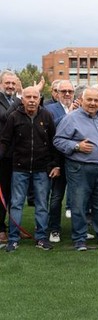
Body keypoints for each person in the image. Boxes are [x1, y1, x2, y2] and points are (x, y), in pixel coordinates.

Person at [53, 87, 98, 251]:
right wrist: (76, 146)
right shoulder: (71, 118)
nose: (92, 103)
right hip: (80, 168)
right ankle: (80, 239)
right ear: (81, 100)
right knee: (79, 204)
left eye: (96, 100)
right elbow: (58, 140)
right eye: (89, 100)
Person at [0, 86, 61, 252]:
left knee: (42, 204)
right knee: (16, 204)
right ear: (23, 99)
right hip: (19, 169)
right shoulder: (14, 117)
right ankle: (13, 239)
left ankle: (41, 237)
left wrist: (56, 164)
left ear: (40, 98)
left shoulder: (47, 116)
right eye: (28, 97)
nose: (32, 100)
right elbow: (5, 141)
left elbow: (54, 142)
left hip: (42, 170)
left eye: (35, 97)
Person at [45, 80, 76, 242]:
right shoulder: (50, 109)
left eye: (70, 91)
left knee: (79, 198)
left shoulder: (80, 108)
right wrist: (68, 115)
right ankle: (54, 229)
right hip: (58, 161)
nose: (67, 94)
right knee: (56, 197)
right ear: (56, 93)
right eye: (63, 91)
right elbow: (50, 131)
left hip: (77, 161)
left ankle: (79, 230)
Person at [0, 70, 20, 243]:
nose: (10, 86)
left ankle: (14, 227)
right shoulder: (12, 102)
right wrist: (20, 100)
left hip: (17, 155)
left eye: (13, 83)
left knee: (16, 195)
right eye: (7, 83)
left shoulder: (14, 100)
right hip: (3, 156)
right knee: (3, 194)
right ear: (1, 83)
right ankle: (1, 229)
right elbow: (5, 117)